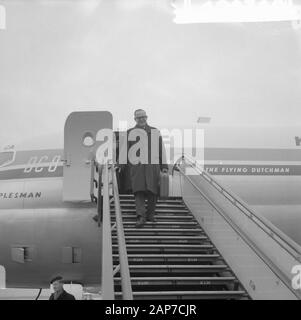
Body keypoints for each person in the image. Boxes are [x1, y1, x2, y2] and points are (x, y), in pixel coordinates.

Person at [119, 109, 168, 227]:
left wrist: (164, 166)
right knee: (138, 191)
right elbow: (124, 150)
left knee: (153, 191)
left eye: (143, 117)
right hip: (137, 168)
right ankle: (141, 217)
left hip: (153, 167)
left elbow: (161, 149)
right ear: (135, 119)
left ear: (147, 117)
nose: (142, 119)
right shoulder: (130, 132)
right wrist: (121, 164)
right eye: (139, 117)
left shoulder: (155, 132)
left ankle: (151, 215)